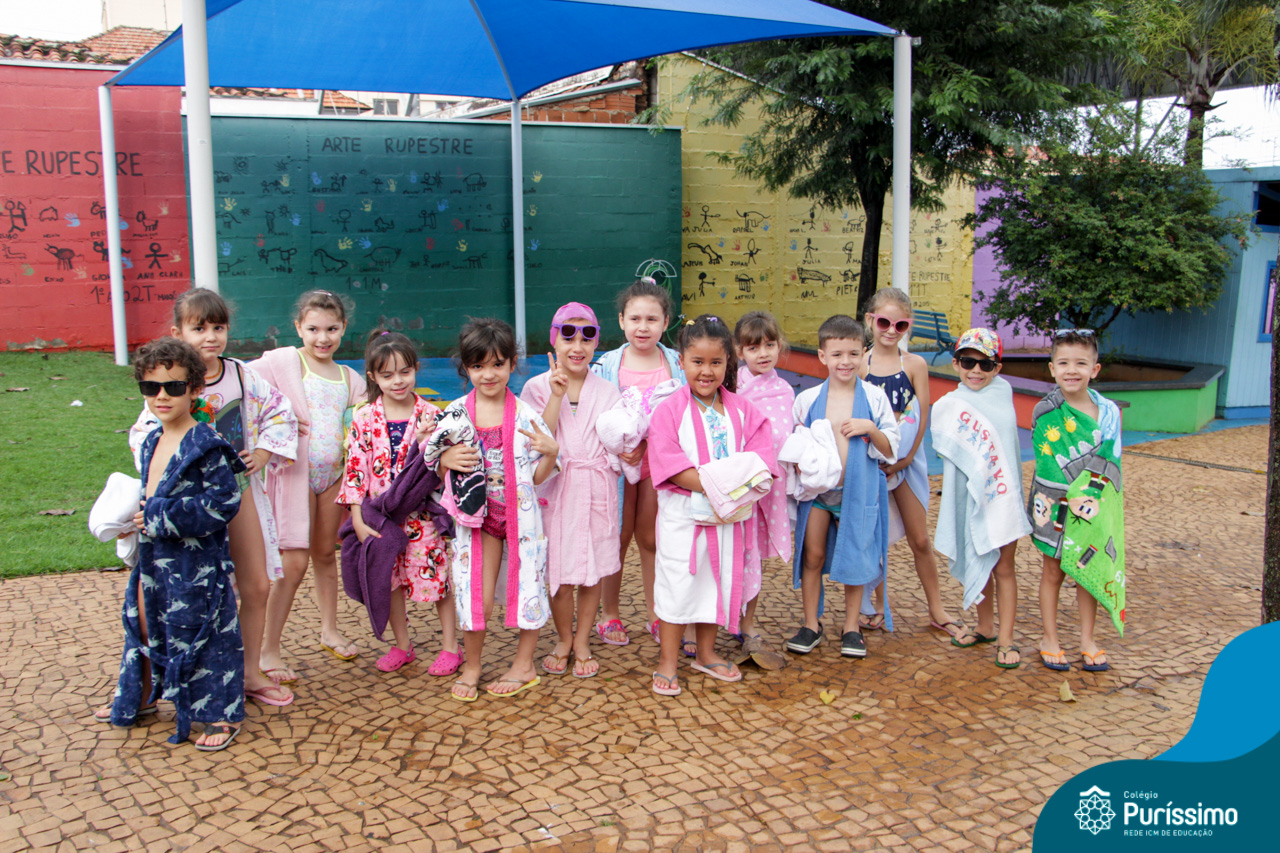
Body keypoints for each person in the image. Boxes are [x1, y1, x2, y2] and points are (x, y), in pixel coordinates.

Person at [125, 289, 298, 708]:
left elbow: (280, 411)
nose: (210, 337)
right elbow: (145, 437)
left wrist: (263, 451)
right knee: (167, 592)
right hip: (185, 506)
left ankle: (250, 671)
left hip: (235, 492)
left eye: (218, 327)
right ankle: (155, 682)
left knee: (256, 584)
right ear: (178, 332)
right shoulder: (164, 383)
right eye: (198, 328)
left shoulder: (241, 375)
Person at [100, 338, 246, 750]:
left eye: (174, 387)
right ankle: (143, 694)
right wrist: (133, 520)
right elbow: (151, 496)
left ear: (194, 389)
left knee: (205, 633)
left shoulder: (207, 446)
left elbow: (224, 502)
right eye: (151, 387)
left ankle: (219, 713)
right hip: (153, 558)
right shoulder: (151, 441)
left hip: (196, 566)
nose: (162, 396)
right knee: (143, 621)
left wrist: (160, 517)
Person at [647, 314, 782, 696]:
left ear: (728, 363)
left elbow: (762, 457)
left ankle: (706, 653)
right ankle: (668, 661)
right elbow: (669, 464)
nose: (706, 371)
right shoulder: (669, 410)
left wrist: (733, 487)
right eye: (697, 362)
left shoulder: (742, 410)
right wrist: (721, 485)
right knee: (677, 585)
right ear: (681, 361)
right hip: (683, 519)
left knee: (716, 582)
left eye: (716, 362)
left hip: (729, 518)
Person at [432, 319, 559, 700]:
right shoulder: (455, 414)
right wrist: (445, 460)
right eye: (478, 366)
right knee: (477, 593)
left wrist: (551, 454)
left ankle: (524, 664)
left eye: (498, 364)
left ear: (512, 364)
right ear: (466, 368)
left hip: (521, 516)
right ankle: (472, 665)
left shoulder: (525, 415)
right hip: (478, 519)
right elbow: (434, 465)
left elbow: (537, 477)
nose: (488, 374)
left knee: (529, 584)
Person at [251, 291, 367, 684]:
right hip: (293, 475)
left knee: (324, 554)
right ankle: (268, 648)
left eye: (332, 329)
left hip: (331, 477)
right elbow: (245, 389)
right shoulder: (284, 364)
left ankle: (329, 629)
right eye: (314, 329)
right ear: (298, 327)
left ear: (343, 328)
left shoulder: (349, 378)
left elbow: (363, 422)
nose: (323, 338)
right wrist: (276, 422)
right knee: (294, 562)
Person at [339, 330, 458, 675]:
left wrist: (424, 442)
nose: (398, 381)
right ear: (373, 377)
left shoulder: (432, 415)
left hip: (422, 517)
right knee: (387, 580)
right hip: (380, 518)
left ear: (416, 369)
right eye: (388, 375)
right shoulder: (363, 418)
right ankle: (403, 645)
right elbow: (355, 470)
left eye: (405, 372)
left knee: (438, 580)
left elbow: (440, 470)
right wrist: (357, 519)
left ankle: (451, 647)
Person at [787, 315, 899, 660]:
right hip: (819, 495)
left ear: (864, 353)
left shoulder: (874, 399)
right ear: (822, 356)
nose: (845, 362)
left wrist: (871, 429)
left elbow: (891, 449)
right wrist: (800, 465)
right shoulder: (808, 400)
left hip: (858, 493)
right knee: (813, 554)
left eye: (853, 353)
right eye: (837, 354)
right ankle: (811, 623)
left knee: (856, 555)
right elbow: (796, 445)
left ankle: (852, 627)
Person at [520, 303, 623, 679]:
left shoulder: (608, 391)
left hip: (596, 488)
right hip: (557, 490)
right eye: (568, 336)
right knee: (559, 573)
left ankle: (582, 640)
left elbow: (618, 440)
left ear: (596, 343)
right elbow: (536, 440)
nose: (577, 346)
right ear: (554, 341)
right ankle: (563, 638)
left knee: (593, 573)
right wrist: (555, 395)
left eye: (587, 337)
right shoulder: (535, 387)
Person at [859, 288, 964, 640]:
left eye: (900, 325)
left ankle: (937, 608)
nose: (891, 331)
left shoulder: (915, 365)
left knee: (919, 539)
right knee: (873, 539)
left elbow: (922, 416)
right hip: (872, 462)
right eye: (884, 322)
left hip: (906, 463)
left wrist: (904, 459)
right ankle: (876, 605)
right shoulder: (860, 364)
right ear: (871, 320)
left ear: (908, 325)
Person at [591, 277, 687, 650]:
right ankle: (609, 613)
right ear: (621, 321)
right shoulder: (607, 365)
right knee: (615, 537)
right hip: (616, 466)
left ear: (666, 322)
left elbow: (683, 416)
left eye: (651, 319)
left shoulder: (676, 364)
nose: (642, 327)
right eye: (634, 319)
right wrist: (619, 448)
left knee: (651, 538)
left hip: (657, 465)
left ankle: (656, 613)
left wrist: (648, 446)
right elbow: (596, 416)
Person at [930, 328, 1031, 669]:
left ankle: (1006, 639)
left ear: (997, 368)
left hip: (1000, 497)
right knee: (979, 559)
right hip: (969, 495)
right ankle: (985, 627)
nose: (976, 371)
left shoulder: (1002, 395)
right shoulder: (950, 405)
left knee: (1004, 567)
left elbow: (1004, 453)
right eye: (968, 362)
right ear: (955, 364)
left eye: (985, 364)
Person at [1029, 329, 1125, 672]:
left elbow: (1112, 460)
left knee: (1088, 570)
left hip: (1094, 506)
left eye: (1081, 364)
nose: (1072, 370)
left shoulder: (1110, 413)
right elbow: (1047, 462)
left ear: (1094, 370)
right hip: (1055, 505)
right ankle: (1049, 638)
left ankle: (1088, 639)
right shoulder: (1045, 411)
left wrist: (1094, 498)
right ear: (1052, 368)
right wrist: (1073, 494)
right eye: (1064, 363)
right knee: (1052, 572)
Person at [732, 310, 794, 666]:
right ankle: (710, 619)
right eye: (753, 347)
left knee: (753, 554)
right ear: (740, 351)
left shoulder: (784, 390)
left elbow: (784, 436)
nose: (763, 353)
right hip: (736, 487)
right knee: (727, 552)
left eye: (769, 345)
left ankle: (748, 622)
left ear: (779, 345)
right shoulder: (731, 387)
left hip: (767, 490)